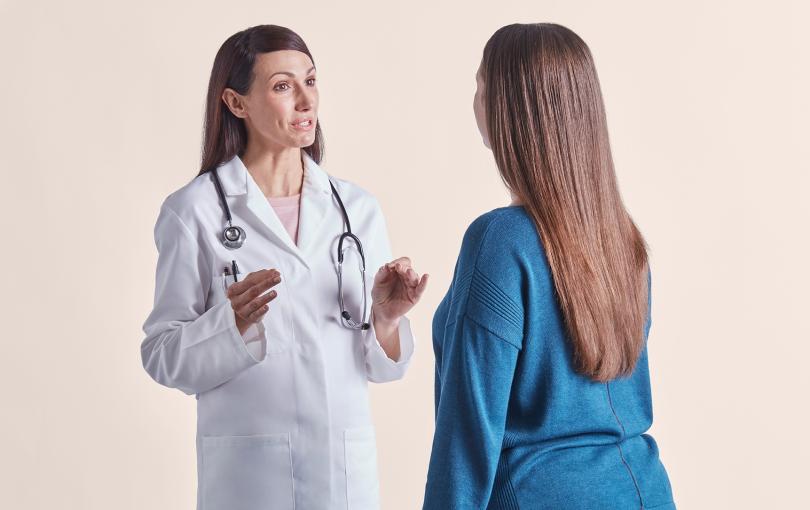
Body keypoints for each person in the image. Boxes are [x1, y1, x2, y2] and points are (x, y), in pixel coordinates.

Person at [140, 25, 428, 510]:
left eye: (310, 82)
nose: (305, 101)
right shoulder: (194, 212)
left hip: (344, 479)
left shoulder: (356, 210)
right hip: (251, 481)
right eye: (282, 86)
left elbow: (383, 369)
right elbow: (162, 354)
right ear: (237, 103)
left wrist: (387, 319)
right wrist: (227, 325)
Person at [422, 23, 675, 509]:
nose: (473, 100)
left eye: (479, 86)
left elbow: (468, 434)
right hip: (644, 491)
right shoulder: (624, 240)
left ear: (506, 109)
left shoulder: (499, 240)